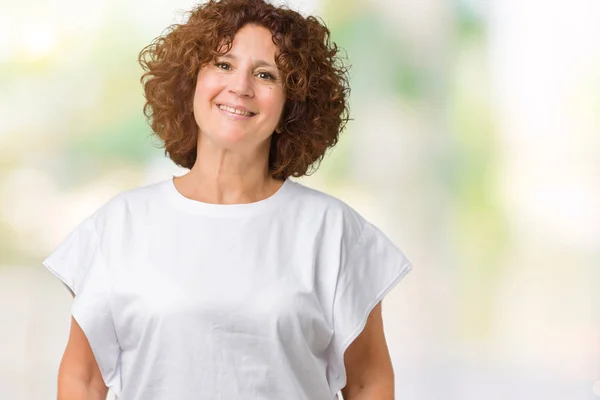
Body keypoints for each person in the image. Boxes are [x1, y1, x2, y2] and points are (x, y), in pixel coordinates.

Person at [43, 0, 412, 399]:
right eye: (223, 65)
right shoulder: (119, 225)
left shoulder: (332, 232)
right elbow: (83, 380)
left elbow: (366, 381)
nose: (240, 86)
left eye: (266, 74)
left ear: (294, 102)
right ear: (191, 81)